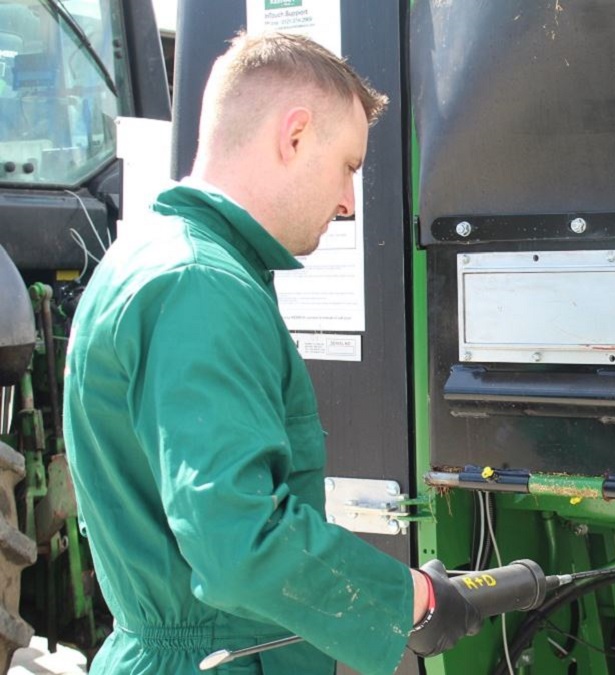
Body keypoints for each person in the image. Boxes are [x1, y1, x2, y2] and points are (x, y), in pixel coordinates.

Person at [63, 32, 479, 674]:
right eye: (348, 166)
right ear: (293, 135)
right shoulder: (198, 284)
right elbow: (239, 540)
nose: (347, 203)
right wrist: (415, 599)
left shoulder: (159, 259)